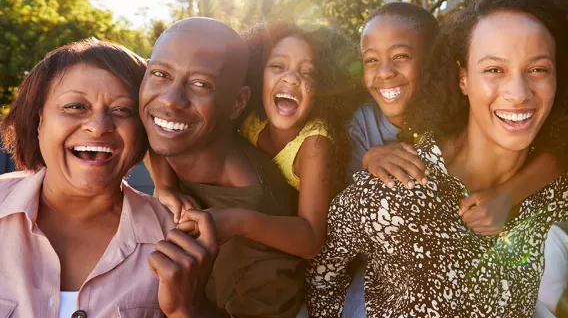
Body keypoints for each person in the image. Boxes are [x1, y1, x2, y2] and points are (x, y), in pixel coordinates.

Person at [307, 0, 568, 317]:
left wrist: (511, 192)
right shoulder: (390, 194)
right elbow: (323, 279)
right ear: (462, 77)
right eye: (494, 69)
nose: (518, 92)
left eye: (538, 69)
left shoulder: (565, 178)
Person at [0, 39, 218, 317]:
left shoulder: (181, 239)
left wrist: (188, 308)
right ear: (39, 120)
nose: (99, 127)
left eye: (122, 110)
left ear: (143, 130)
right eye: (75, 106)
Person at [150, 22, 359, 259]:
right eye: (277, 66)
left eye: (307, 72)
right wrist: (164, 185)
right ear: (259, 73)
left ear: (324, 85)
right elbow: (162, 126)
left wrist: (239, 221)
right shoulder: (251, 115)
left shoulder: (315, 144)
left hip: (309, 255)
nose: (291, 79)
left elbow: (311, 240)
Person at [140, 17, 304, 317]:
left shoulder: (259, 220)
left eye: (201, 84)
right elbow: (148, 132)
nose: (171, 101)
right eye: (161, 74)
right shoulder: (172, 133)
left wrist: (184, 308)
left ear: (237, 104)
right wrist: (164, 186)